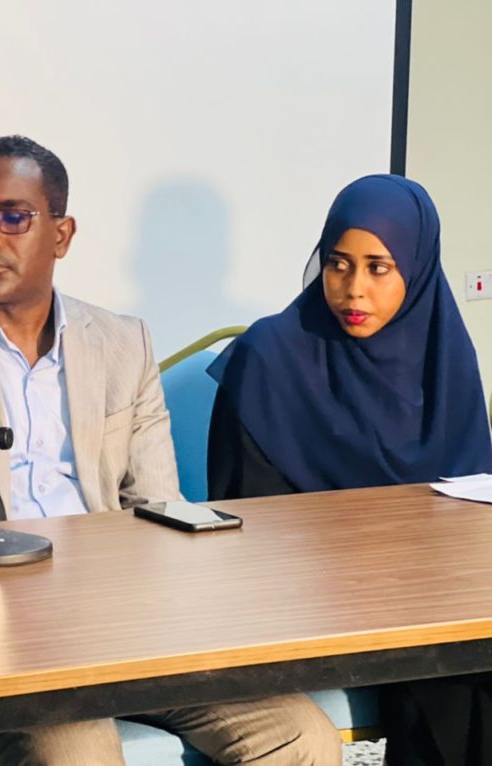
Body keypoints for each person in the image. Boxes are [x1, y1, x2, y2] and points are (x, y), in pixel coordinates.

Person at [0, 135, 341, 765]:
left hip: (122, 623)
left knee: (301, 737)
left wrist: (123, 609)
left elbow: (159, 508)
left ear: (61, 235)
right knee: (78, 753)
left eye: (13, 217)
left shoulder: (122, 344)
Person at [206, 174, 492, 765]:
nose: (353, 290)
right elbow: (247, 532)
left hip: (435, 606)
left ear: (415, 269)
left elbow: (472, 517)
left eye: (378, 268)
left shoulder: (447, 362)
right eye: (338, 264)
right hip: (310, 611)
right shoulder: (271, 359)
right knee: (456, 683)